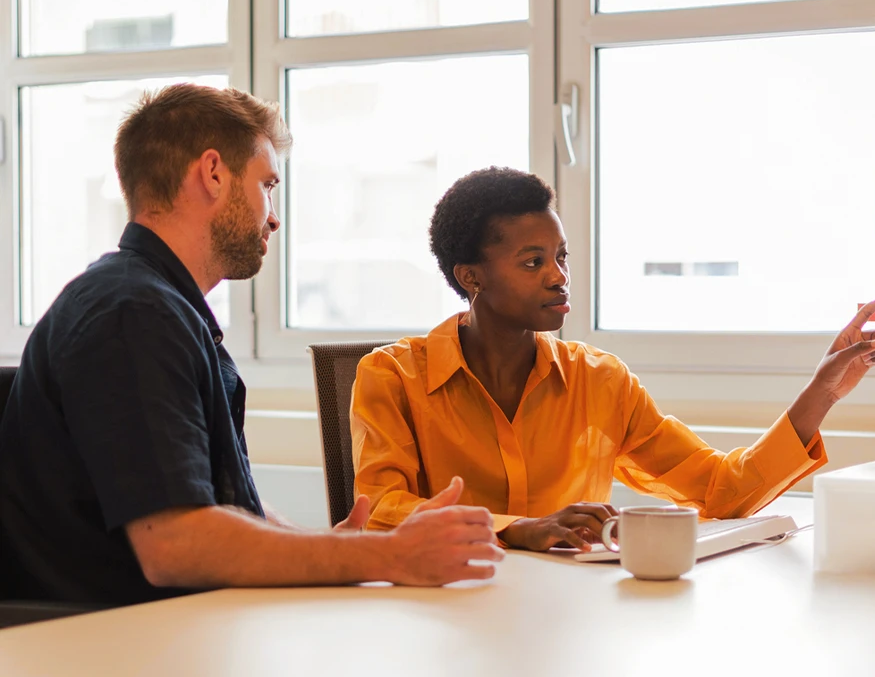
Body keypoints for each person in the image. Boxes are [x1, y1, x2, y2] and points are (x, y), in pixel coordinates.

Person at [0, 84, 501, 604]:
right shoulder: (132, 315)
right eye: (267, 185)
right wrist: (389, 555)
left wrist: (323, 550)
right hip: (104, 651)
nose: (274, 216)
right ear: (213, 173)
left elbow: (219, 511)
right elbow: (177, 545)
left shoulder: (159, 306)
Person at [351, 166, 875, 552]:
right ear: (472, 277)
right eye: (532, 261)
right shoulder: (392, 376)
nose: (559, 276)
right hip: (445, 615)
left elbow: (723, 492)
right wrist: (512, 527)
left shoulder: (600, 381)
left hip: (575, 620)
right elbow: (379, 509)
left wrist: (824, 392)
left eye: (560, 257)